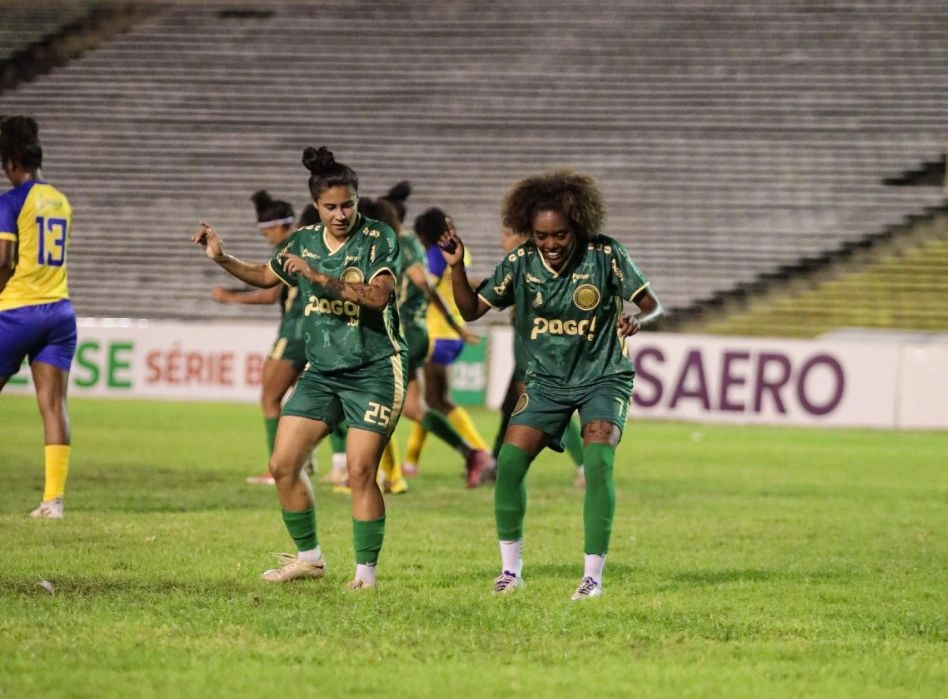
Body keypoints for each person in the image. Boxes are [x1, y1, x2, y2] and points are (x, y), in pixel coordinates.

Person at [438, 168, 662, 600]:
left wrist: (638, 319)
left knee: (598, 463)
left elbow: (652, 305)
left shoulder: (607, 255)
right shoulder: (521, 263)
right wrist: (456, 268)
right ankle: (511, 571)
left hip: (604, 375)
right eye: (541, 236)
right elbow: (470, 311)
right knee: (509, 465)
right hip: (546, 382)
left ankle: (592, 577)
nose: (550, 244)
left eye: (558, 235)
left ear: (577, 226)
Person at [192, 146, 407, 589]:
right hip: (323, 371)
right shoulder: (303, 240)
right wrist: (220, 256)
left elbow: (378, 296)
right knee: (284, 463)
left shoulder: (379, 238)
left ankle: (365, 576)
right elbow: (266, 276)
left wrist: (316, 277)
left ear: (357, 198)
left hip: (375, 369)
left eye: (347, 204)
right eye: (331, 207)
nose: (341, 214)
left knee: (361, 471)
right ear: (316, 206)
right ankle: (309, 559)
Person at [360, 192, 494, 491]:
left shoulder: (401, 245)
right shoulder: (406, 244)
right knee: (413, 408)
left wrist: (455, 327)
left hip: (407, 332)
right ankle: (471, 454)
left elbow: (425, 284)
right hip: (416, 332)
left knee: (377, 403)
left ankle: (390, 476)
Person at [210, 190, 342, 485]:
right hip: (321, 331)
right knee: (322, 397)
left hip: (295, 332)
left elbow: (270, 293)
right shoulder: (313, 244)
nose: (265, 235)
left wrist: (231, 297)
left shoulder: (289, 247)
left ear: (278, 226)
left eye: (265, 229)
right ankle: (334, 462)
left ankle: (279, 468)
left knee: (270, 398)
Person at [0, 115, 76, 519]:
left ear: (11, 163)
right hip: (59, 312)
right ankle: (52, 501)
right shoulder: (62, 201)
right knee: (53, 404)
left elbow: (4, 260)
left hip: (17, 310)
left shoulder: (11, 201)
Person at [492, 225, 586, 489]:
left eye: (507, 234)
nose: (502, 239)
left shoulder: (532, 266)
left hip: (537, 353)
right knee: (510, 407)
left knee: (546, 411)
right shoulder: (522, 264)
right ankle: (494, 463)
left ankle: (585, 465)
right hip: (528, 350)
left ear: (523, 238)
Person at [404, 207, 492, 484]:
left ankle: (481, 452)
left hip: (435, 333)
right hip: (452, 334)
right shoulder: (459, 252)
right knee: (429, 401)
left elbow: (429, 292)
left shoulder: (432, 256)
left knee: (435, 401)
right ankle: (411, 461)